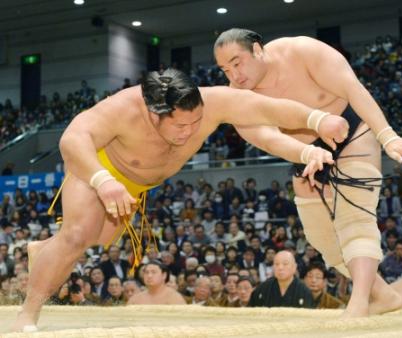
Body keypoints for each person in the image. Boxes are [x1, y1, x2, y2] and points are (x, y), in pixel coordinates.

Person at [14, 68, 348, 331]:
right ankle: (27, 313)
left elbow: (268, 108)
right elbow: (72, 140)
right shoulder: (123, 109)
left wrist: (317, 119)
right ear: (154, 114)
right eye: (179, 125)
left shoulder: (212, 102)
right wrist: (102, 181)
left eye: (195, 123)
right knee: (77, 235)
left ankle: (44, 250)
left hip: (136, 186)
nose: (188, 132)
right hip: (98, 169)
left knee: (99, 238)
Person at [214, 28, 402, 317]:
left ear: (257, 49)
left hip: (351, 133)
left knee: (355, 217)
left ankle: (358, 304)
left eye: (237, 62)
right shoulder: (237, 98)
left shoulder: (302, 51)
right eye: (225, 69)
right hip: (303, 154)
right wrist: (306, 153)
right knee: (321, 237)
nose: (234, 75)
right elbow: (268, 139)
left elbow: (353, 88)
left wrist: (387, 135)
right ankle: (382, 294)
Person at [248, 251, 313, 308]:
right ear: (273, 267)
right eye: (277, 264)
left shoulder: (303, 290)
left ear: (294, 267)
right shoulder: (264, 287)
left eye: (285, 264)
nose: (280, 267)